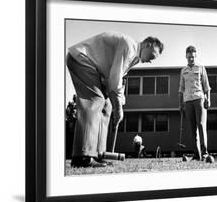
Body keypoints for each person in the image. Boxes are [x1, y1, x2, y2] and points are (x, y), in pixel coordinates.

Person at [66, 31, 164, 167]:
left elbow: (115, 82)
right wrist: (119, 108)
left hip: (95, 68)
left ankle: (99, 154)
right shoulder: (129, 46)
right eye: (152, 56)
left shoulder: (134, 56)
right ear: (148, 45)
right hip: (81, 58)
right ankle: (83, 156)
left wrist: (118, 106)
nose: (151, 61)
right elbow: (114, 82)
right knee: (95, 101)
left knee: (107, 106)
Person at [178, 46, 212, 161]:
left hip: (199, 99)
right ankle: (196, 154)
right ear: (186, 56)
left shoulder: (201, 68)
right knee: (192, 128)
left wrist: (209, 99)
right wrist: (180, 104)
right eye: (189, 57)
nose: (191, 59)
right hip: (187, 101)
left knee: (201, 126)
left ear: (195, 56)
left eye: (192, 56)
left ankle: (205, 153)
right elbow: (181, 89)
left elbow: (206, 86)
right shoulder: (183, 71)